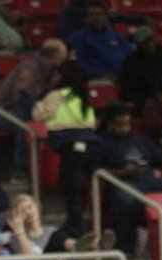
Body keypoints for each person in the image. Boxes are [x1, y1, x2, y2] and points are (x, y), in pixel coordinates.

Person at [97, 102, 162, 256]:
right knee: (126, 200)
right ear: (109, 123)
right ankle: (127, 247)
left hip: (150, 181)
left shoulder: (140, 140)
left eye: (127, 124)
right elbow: (97, 171)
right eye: (119, 125)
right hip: (123, 184)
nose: (125, 128)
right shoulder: (101, 143)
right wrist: (122, 172)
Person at [31, 59, 102, 235]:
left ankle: (75, 229)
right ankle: (95, 229)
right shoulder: (84, 96)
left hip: (72, 149)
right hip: (92, 147)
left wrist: (36, 101)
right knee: (90, 190)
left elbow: (39, 115)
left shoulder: (56, 94)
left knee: (72, 192)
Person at [0, 39, 68, 176]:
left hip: (28, 109)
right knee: (27, 125)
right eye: (62, 57)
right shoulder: (28, 68)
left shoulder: (50, 71)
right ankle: (19, 169)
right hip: (5, 112)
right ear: (54, 57)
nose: (64, 61)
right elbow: (22, 100)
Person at [6, 193, 112, 260]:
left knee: (64, 239)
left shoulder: (51, 230)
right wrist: (19, 230)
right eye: (23, 211)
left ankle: (97, 244)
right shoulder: (16, 237)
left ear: (36, 207)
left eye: (30, 207)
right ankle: (86, 245)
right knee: (56, 238)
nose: (29, 212)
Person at [119, 26, 162, 112]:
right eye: (145, 42)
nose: (149, 44)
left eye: (150, 40)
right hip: (148, 106)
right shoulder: (131, 63)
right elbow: (127, 90)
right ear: (138, 45)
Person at [67, 1, 134, 82]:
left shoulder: (115, 36)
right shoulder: (77, 38)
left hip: (122, 77)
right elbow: (79, 63)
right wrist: (99, 74)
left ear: (105, 16)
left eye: (100, 14)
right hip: (96, 79)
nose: (96, 17)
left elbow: (131, 54)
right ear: (85, 18)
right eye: (92, 14)